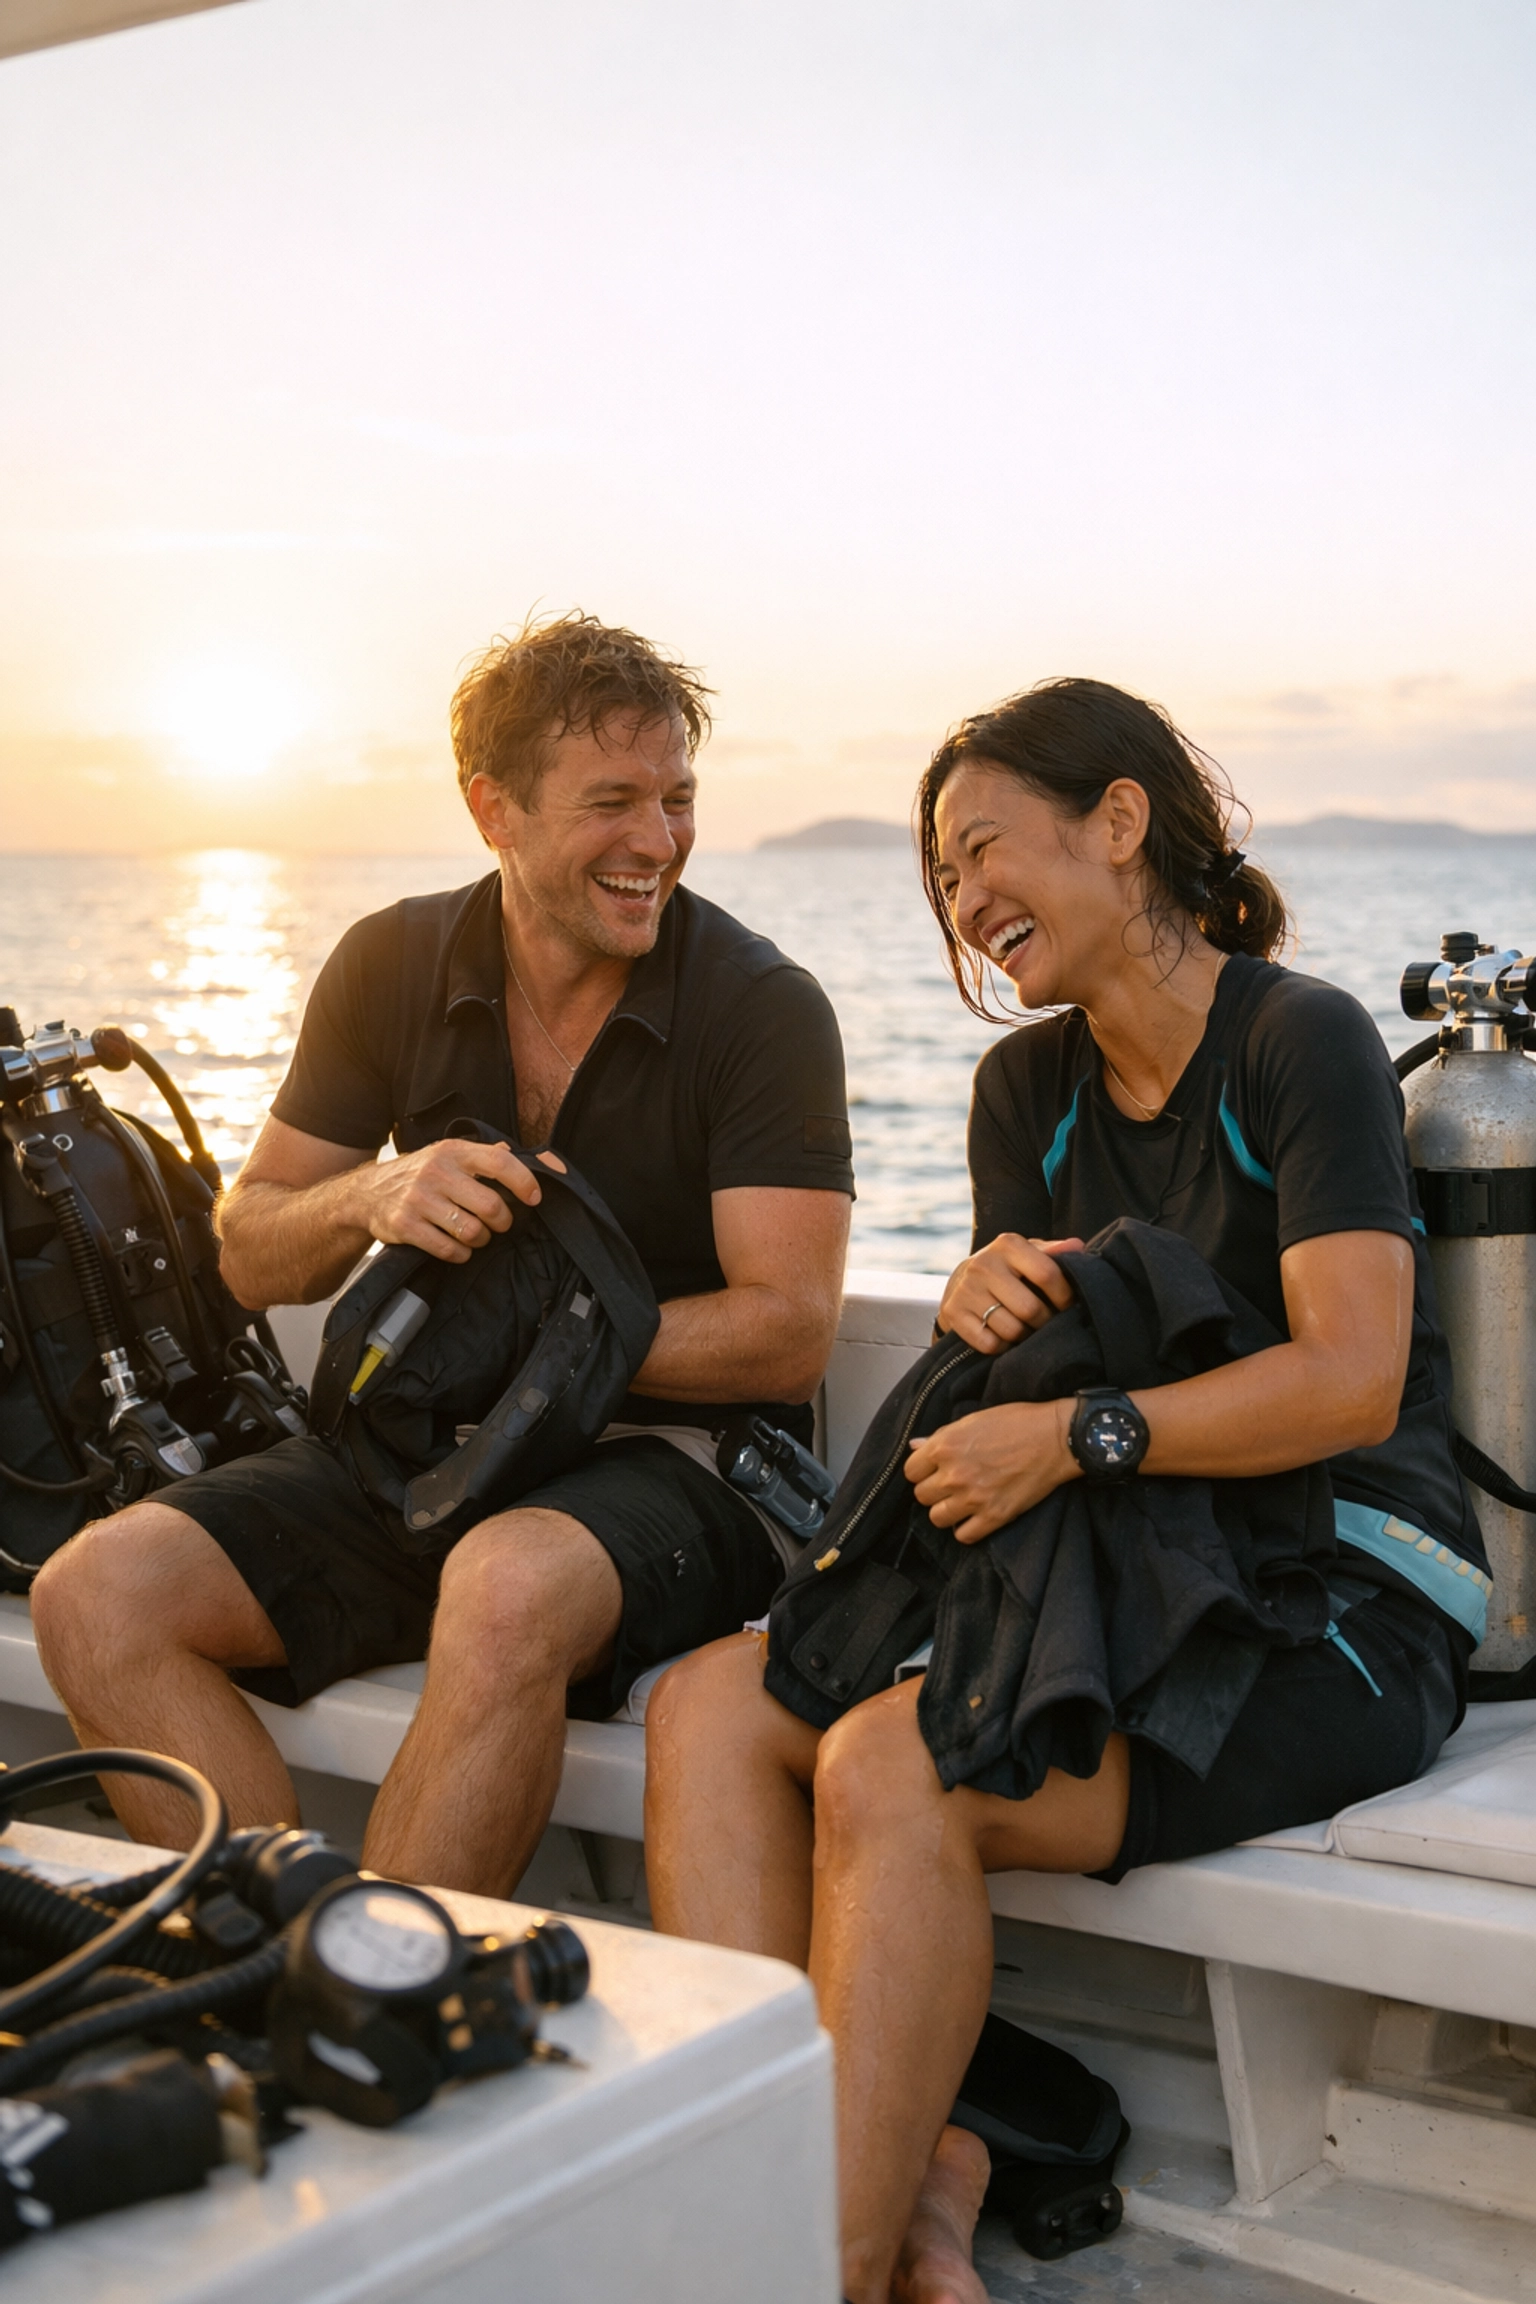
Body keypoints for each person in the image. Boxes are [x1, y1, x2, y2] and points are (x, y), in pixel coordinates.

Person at [644, 676, 1485, 2304]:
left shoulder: (1294, 1038)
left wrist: (1084, 1433)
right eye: (942, 875)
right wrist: (976, 1305)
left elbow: (1351, 1376)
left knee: (895, 1763)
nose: (964, 898)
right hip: (1122, 1571)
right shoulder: (1021, 1095)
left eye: (983, 848)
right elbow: (1023, 1373)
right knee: (706, 1710)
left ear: (1118, 822)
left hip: (1341, 1593)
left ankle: (816, 2265)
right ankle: (870, 2178)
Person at [31, 611, 854, 1897]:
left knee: (504, 1584)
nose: (658, 841)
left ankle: (387, 1987)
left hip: (684, 1460)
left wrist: (529, 1352)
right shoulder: (389, 961)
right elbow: (249, 1253)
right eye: (613, 803)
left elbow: (787, 1332)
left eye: (678, 800)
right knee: (95, 1594)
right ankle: (280, 1957)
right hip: (430, 1452)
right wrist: (372, 1193)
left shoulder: (763, 1007)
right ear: (493, 809)